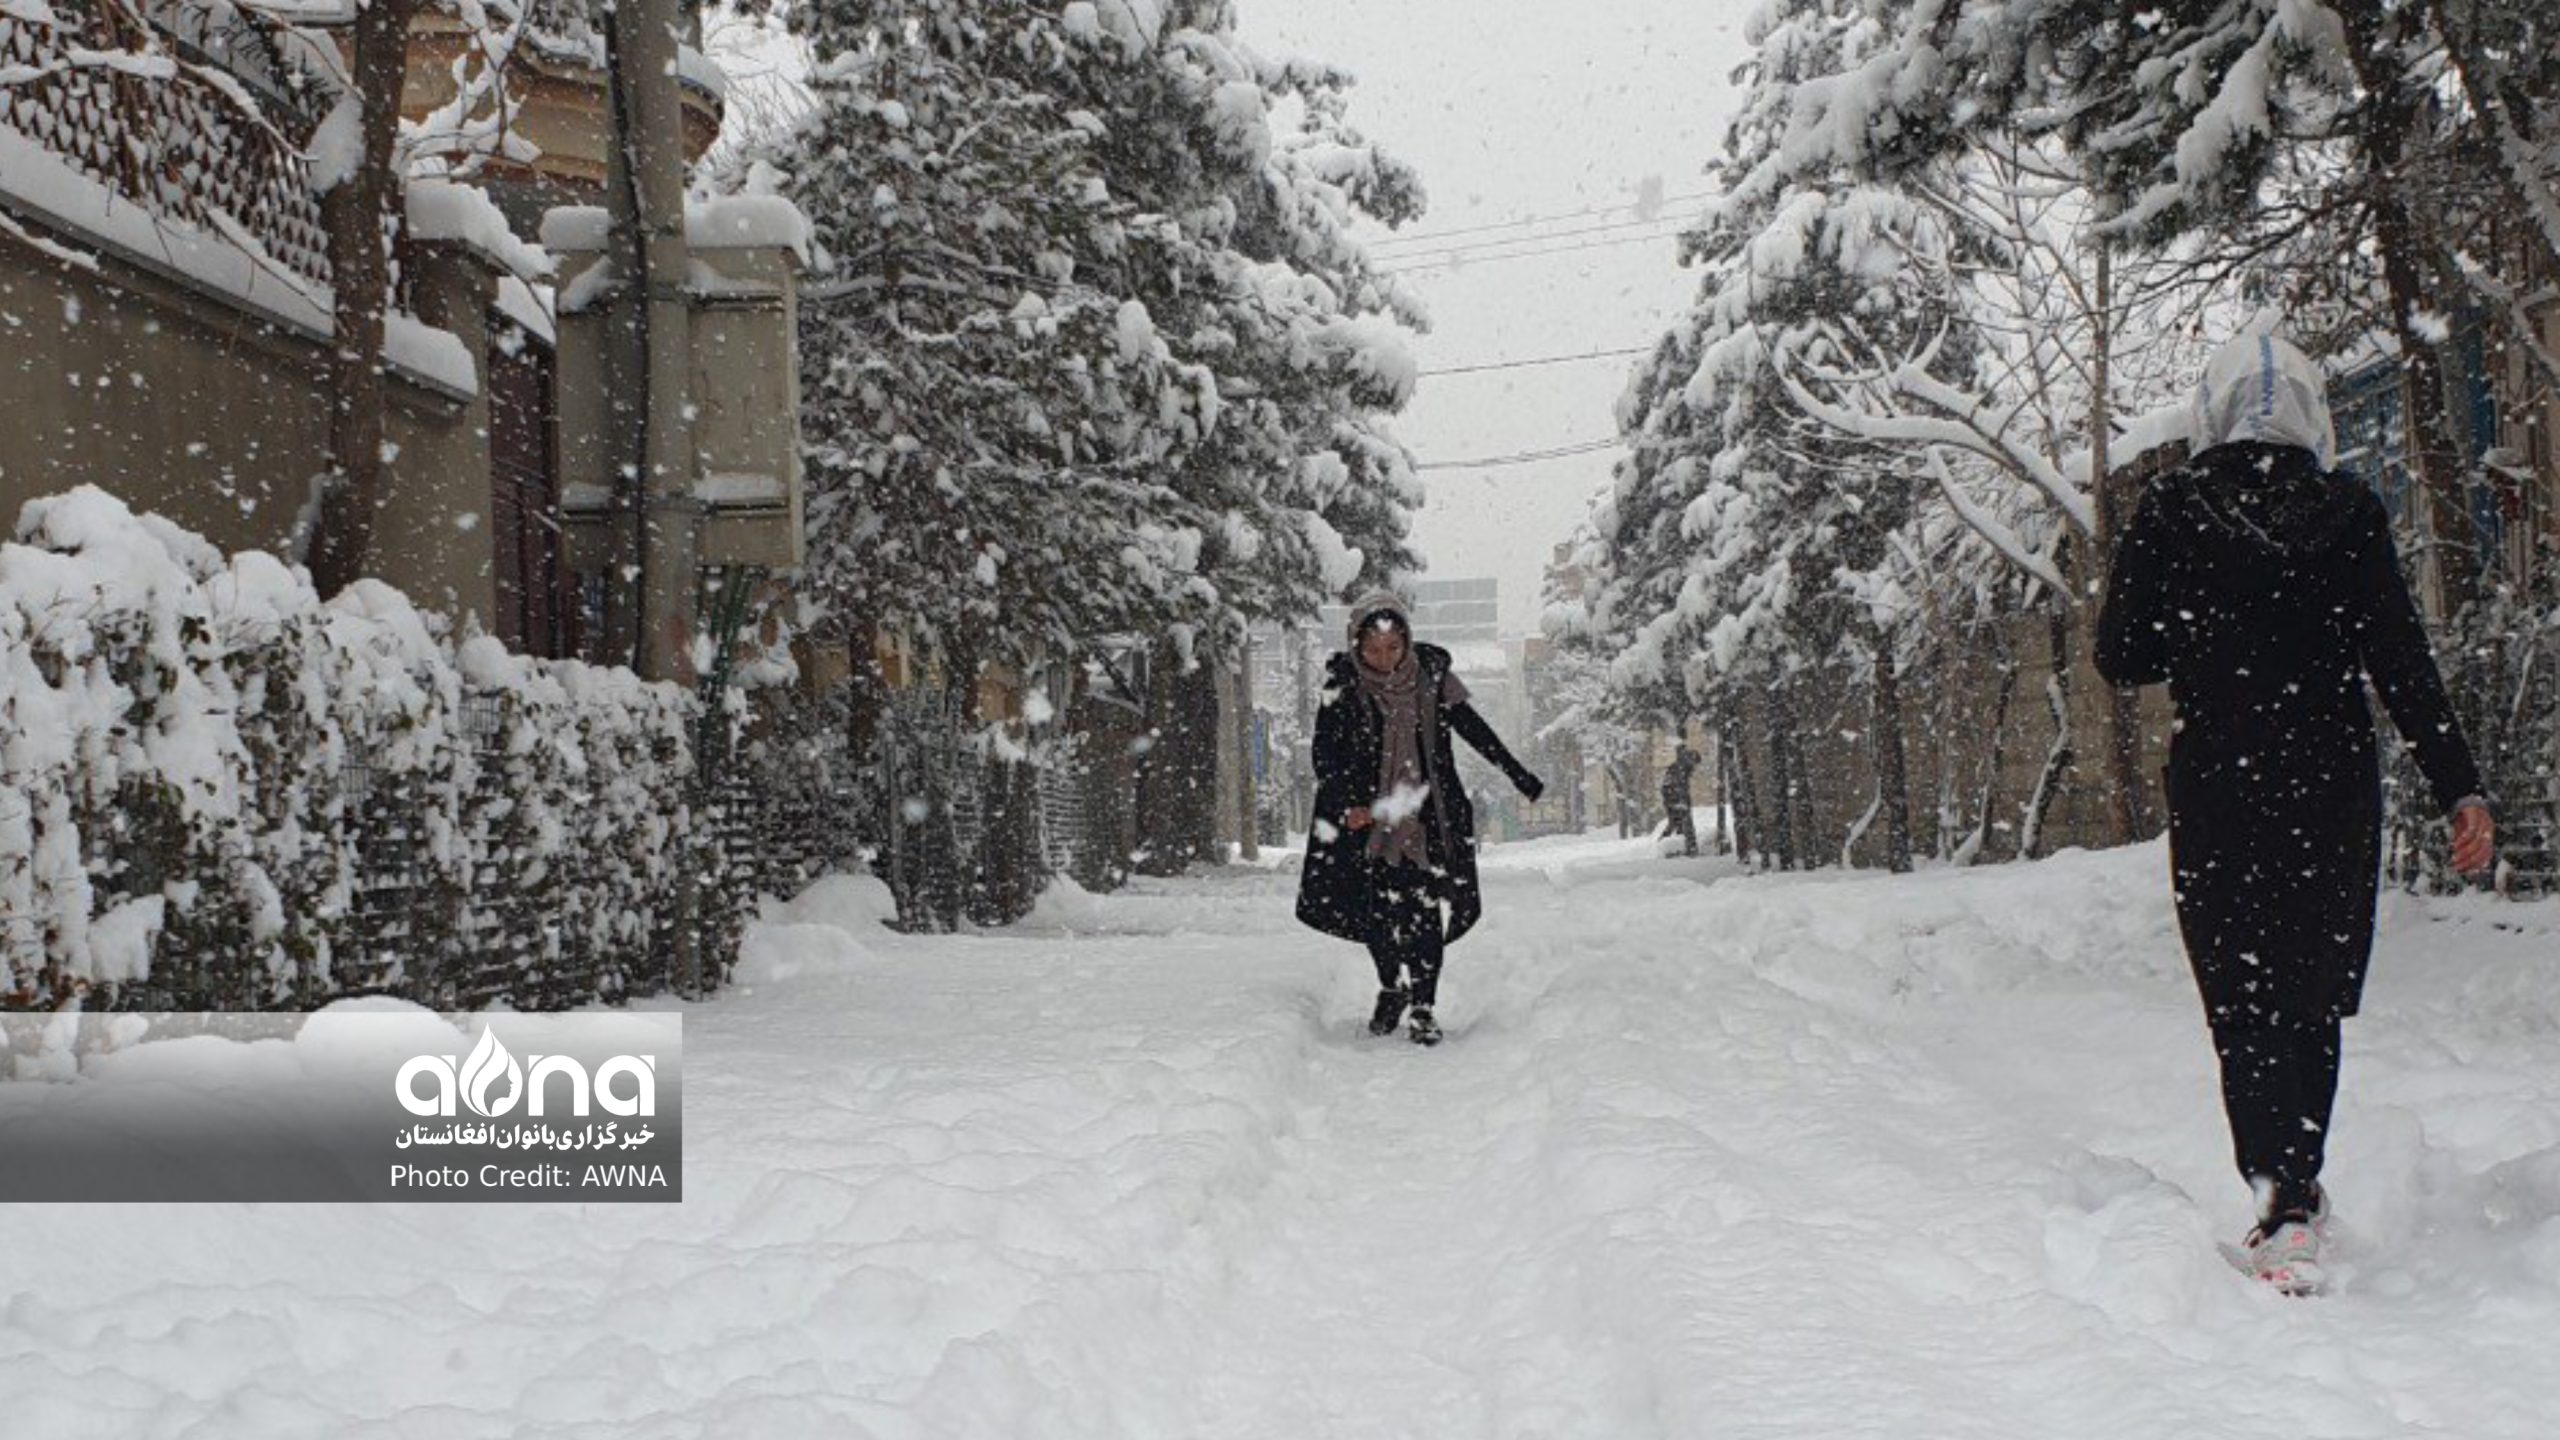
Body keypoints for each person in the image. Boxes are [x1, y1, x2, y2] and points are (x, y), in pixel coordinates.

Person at [2096, 331, 2496, 1295]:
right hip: (2329, 787)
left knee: (2242, 995)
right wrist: (2459, 786)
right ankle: (2299, 1186)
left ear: (2213, 410)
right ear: (2315, 415)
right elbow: (2399, 657)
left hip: (2221, 786)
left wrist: (2202, 626)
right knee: (2309, 990)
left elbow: (2122, 654)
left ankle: (2277, 1195)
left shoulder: (2173, 509)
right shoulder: (2348, 511)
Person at [1295, 590, 1545, 1046]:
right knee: (1375, 912)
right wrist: (1346, 803)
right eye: (1373, 649)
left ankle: (1424, 1005)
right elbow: (1325, 751)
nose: (1384, 658)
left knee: (1422, 909)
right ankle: (1392, 987)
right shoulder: (1342, 684)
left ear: (1407, 640)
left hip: (1426, 815)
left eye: (1393, 647)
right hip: (1368, 816)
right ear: (1356, 645)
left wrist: (1516, 773)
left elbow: (1474, 729)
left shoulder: (1432, 676)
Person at [1659, 741, 1702, 857]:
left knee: (1675, 823)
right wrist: (1680, 800)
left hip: (1672, 799)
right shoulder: (1683, 767)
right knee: (1679, 823)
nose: (1696, 767)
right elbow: (1678, 785)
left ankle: (1670, 845)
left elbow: (1670, 785)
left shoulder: (1680, 765)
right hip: (1676, 799)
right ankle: (1668, 845)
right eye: (1696, 764)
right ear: (1693, 760)